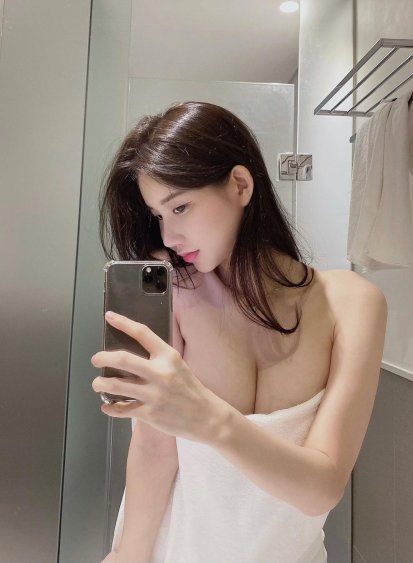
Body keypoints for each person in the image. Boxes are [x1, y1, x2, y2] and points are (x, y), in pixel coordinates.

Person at [91, 101, 388, 563]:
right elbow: (154, 451)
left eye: (180, 206)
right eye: (159, 215)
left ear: (240, 185)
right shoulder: (177, 293)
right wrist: (127, 555)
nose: (168, 236)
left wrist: (209, 419)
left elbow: (322, 490)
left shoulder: (352, 304)